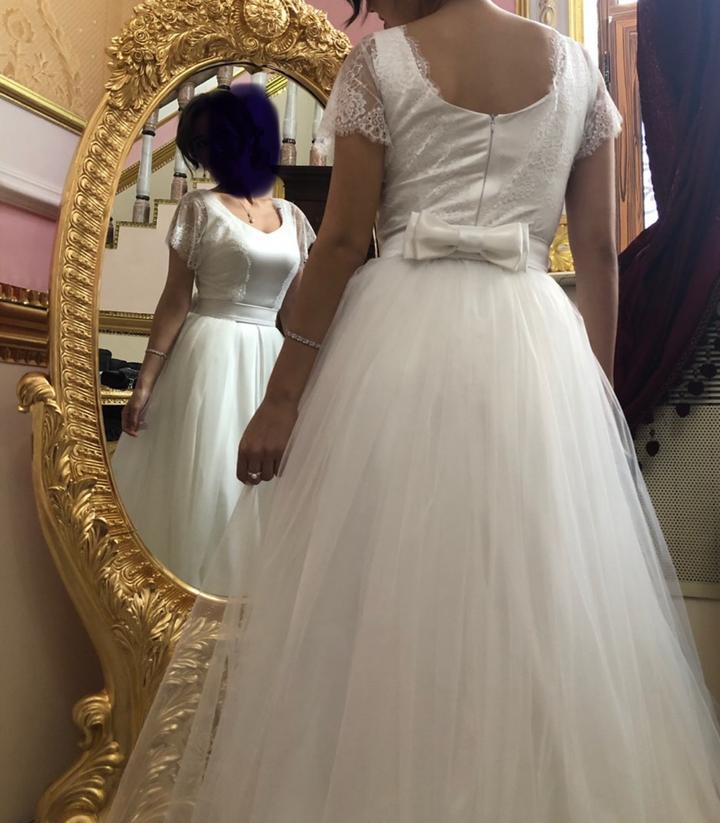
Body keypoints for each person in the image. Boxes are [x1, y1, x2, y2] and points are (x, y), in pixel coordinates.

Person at [108, 2, 720, 820]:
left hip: (397, 340)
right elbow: (601, 257)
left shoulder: (381, 62)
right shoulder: (578, 69)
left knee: (380, 593)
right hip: (535, 347)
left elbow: (339, 243)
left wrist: (282, 398)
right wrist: (597, 401)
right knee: (526, 599)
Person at [111, 84, 315, 590]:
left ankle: (250, 608)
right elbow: (175, 298)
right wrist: (145, 380)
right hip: (207, 359)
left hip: (270, 359)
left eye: (212, 141)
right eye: (197, 147)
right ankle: (190, 604)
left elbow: (297, 313)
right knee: (210, 481)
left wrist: (312, 380)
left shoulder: (292, 217)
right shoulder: (197, 207)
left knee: (268, 489)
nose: (205, 156)